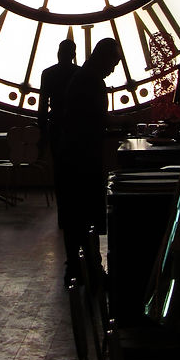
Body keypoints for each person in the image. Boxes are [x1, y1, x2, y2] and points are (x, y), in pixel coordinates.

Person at [53, 37, 122, 286]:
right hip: (83, 160)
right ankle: (90, 268)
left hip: (72, 159)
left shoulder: (83, 79)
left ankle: (79, 267)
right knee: (86, 216)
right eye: (113, 63)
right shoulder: (93, 82)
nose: (113, 69)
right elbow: (100, 119)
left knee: (75, 218)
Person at [37, 38, 77, 160]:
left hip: (56, 124)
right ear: (73, 55)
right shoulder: (79, 74)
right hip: (75, 125)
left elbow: (43, 104)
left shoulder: (48, 74)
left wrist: (42, 129)